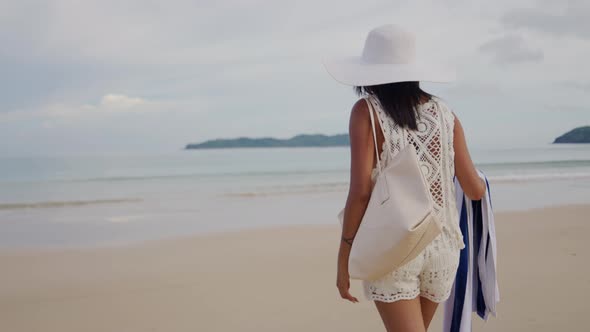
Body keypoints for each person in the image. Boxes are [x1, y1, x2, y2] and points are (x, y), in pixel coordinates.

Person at [324, 25, 486, 331]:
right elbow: (474, 190)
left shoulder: (366, 111)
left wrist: (343, 258)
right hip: (442, 248)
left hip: (393, 247)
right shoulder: (445, 114)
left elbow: (359, 192)